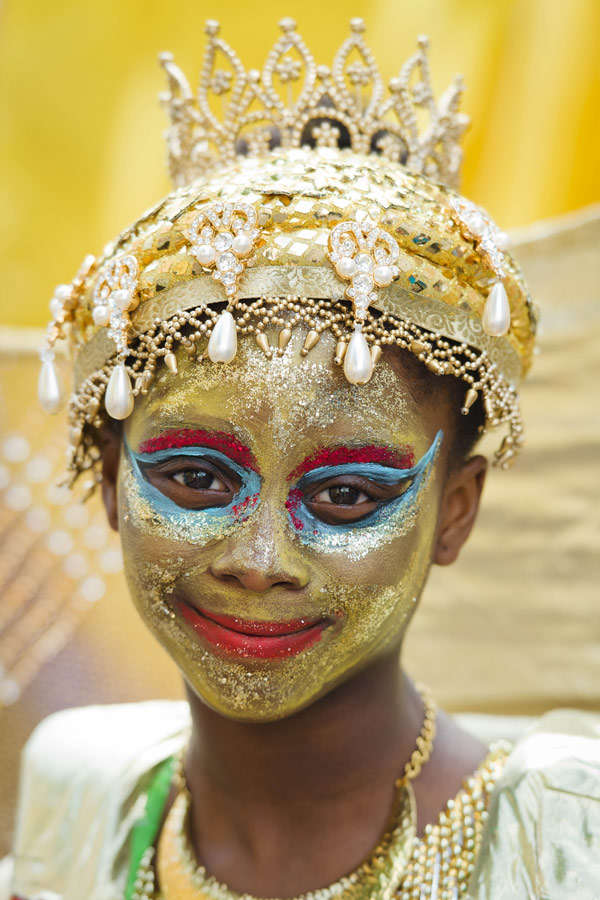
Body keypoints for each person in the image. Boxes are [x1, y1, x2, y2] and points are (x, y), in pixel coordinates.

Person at [4, 18, 599, 900]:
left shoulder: (560, 833)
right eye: (197, 478)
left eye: (349, 494)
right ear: (106, 480)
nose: (258, 561)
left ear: (457, 509)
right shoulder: (84, 796)